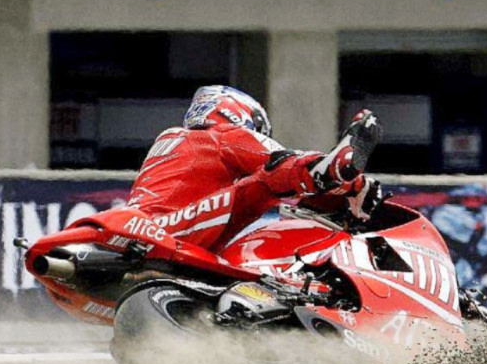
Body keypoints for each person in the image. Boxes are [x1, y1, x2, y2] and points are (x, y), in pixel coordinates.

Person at [126, 85, 383, 252]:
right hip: (162, 233)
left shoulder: (171, 139)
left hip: (141, 230)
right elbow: (281, 162)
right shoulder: (221, 134)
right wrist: (354, 185)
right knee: (265, 182)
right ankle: (332, 168)